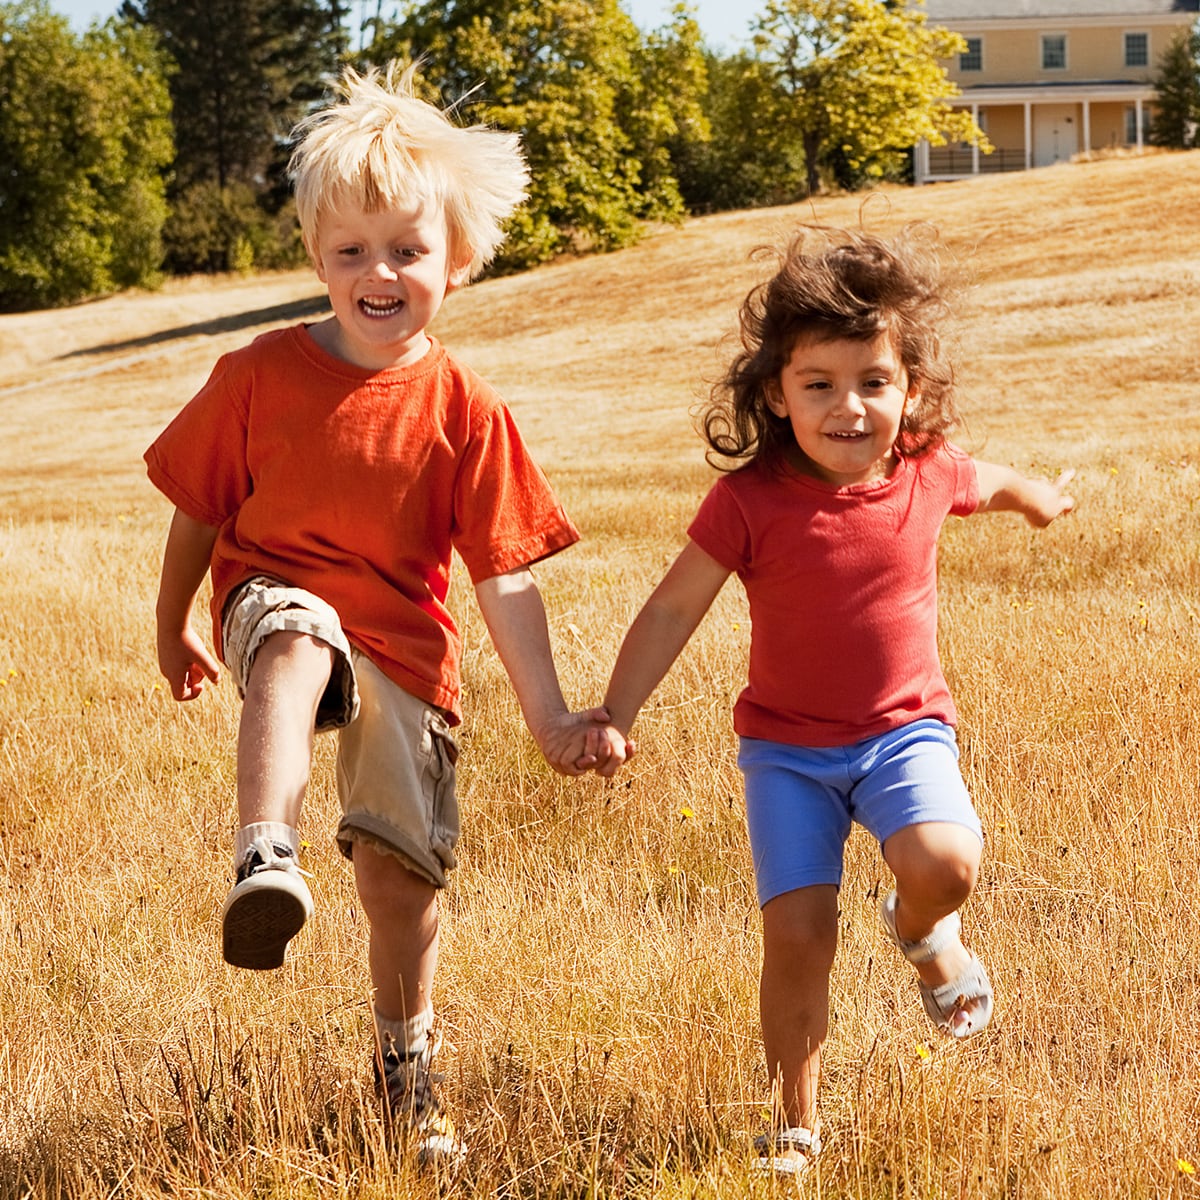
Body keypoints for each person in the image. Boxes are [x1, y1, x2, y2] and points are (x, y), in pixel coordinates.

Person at [146, 62, 604, 1166]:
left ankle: (408, 1067)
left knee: (401, 881)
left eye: (407, 248)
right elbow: (201, 510)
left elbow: (503, 574)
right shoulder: (256, 374)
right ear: (317, 258)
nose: (380, 272)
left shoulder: (464, 408)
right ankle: (266, 853)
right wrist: (174, 620)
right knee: (299, 638)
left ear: (458, 259)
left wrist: (547, 716)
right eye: (351, 251)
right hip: (275, 598)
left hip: (404, 647)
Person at [572, 226, 1074, 1175]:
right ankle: (795, 1122)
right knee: (798, 932)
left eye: (874, 383)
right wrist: (617, 712)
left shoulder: (926, 472)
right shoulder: (751, 502)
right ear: (777, 393)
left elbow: (991, 481)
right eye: (820, 385)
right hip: (786, 756)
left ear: (909, 392)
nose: (850, 408)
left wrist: (1039, 497)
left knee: (949, 861)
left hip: (902, 733)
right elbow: (675, 605)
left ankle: (923, 929)